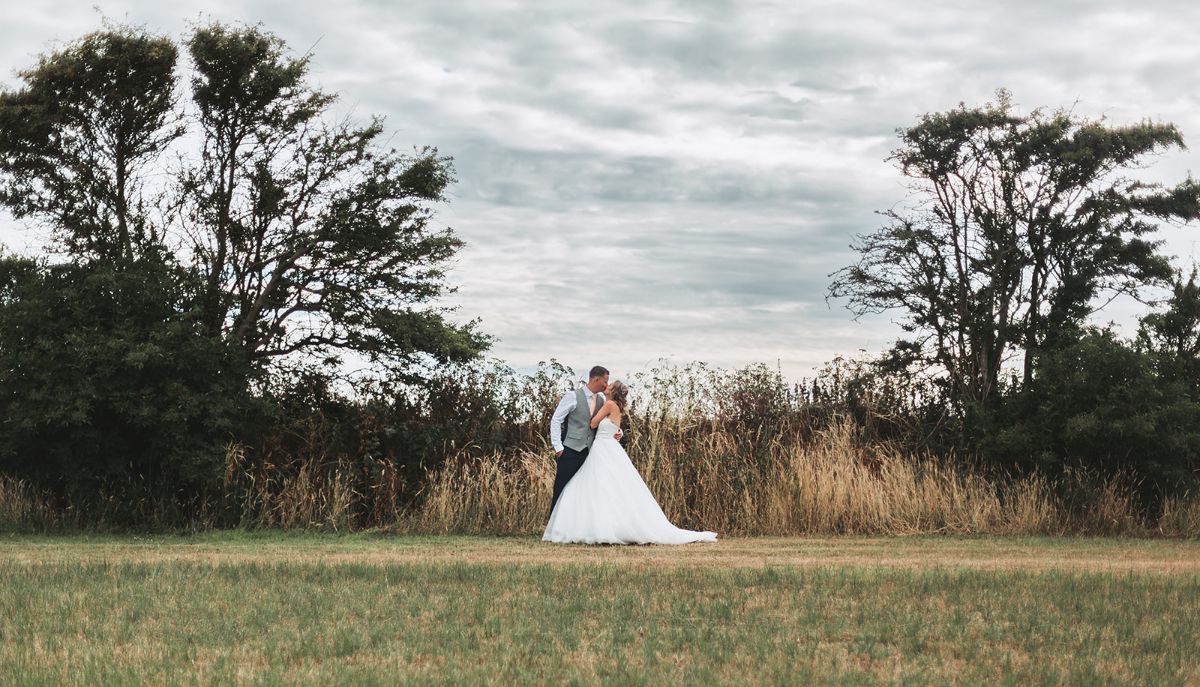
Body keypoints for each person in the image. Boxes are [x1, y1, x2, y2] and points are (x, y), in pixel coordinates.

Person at [544, 379, 718, 545]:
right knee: (608, 488)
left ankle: (597, 527)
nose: (607, 385)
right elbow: (613, 426)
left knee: (599, 487)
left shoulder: (609, 404)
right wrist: (617, 430)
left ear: (613, 391)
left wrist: (592, 421)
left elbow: (593, 423)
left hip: (603, 448)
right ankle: (607, 526)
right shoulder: (613, 406)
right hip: (607, 447)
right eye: (607, 381)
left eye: (610, 385)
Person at [548, 365, 613, 515]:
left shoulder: (601, 401)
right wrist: (558, 446)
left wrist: (618, 432)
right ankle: (553, 526)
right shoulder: (572, 396)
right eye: (605, 381)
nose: (607, 385)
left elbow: (607, 422)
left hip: (590, 452)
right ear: (596, 379)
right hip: (570, 449)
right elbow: (556, 420)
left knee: (582, 490)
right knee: (562, 487)